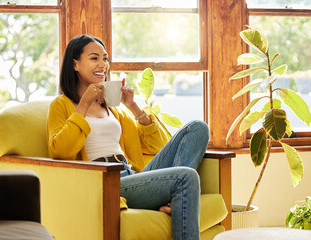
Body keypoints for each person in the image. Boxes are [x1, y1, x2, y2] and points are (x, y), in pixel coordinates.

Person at [47, 34, 210, 240]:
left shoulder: (116, 110)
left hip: (132, 175)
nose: (103, 65)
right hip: (107, 182)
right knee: (186, 176)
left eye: (105, 59)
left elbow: (159, 147)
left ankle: (171, 198)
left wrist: (132, 106)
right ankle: (174, 197)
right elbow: (59, 150)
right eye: (94, 58)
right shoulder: (61, 105)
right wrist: (84, 105)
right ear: (75, 64)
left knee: (198, 128)